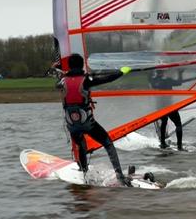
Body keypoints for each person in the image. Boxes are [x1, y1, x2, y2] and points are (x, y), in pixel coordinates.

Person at [58, 53, 133, 186]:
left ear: (69, 66)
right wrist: (121, 72)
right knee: (108, 143)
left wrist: (64, 72)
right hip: (87, 123)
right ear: (82, 65)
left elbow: (60, 83)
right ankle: (120, 176)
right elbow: (108, 79)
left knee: (81, 145)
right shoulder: (87, 80)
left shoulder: (62, 81)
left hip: (71, 124)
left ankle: (83, 172)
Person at [149, 69, 185, 151]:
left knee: (164, 122)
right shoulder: (168, 80)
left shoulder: (154, 81)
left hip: (160, 106)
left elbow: (151, 81)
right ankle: (179, 146)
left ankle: (162, 143)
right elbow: (179, 82)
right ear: (163, 73)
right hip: (169, 105)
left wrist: (150, 73)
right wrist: (180, 73)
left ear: (156, 73)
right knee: (178, 124)